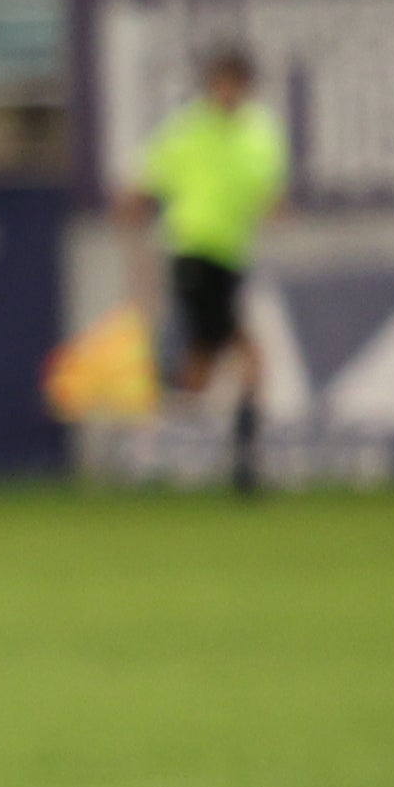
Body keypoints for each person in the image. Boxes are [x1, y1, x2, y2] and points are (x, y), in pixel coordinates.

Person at [120, 43, 288, 494]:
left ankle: (146, 404)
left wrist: (273, 207)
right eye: (223, 83)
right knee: (250, 358)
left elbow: (268, 190)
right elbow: (147, 177)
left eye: (238, 84)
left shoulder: (260, 133)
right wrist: (134, 203)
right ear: (212, 86)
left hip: (232, 260)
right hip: (193, 253)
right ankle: (245, 467)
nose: (229, 92)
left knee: (200, 372)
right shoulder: (188, 129)